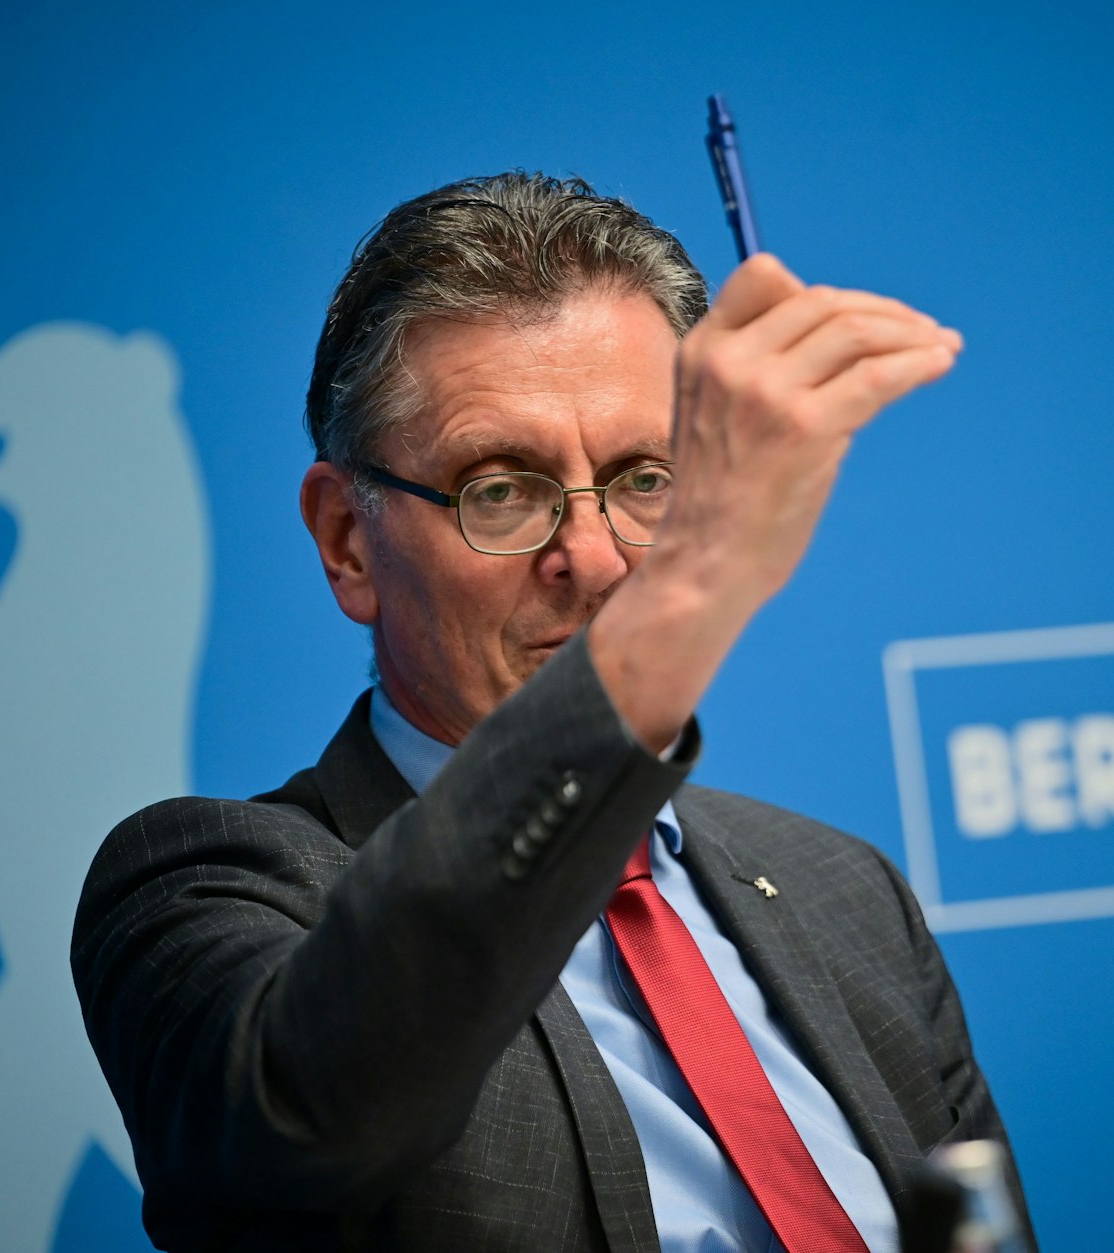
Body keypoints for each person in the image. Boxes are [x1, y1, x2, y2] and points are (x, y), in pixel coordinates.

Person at [73, 171, 1033, 1252]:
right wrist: (690, 589)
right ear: (348, 539)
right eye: (500, 488)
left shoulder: (844, 892)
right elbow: (310, 1115)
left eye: (643, 478)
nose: (594, 559)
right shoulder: (204, 889)